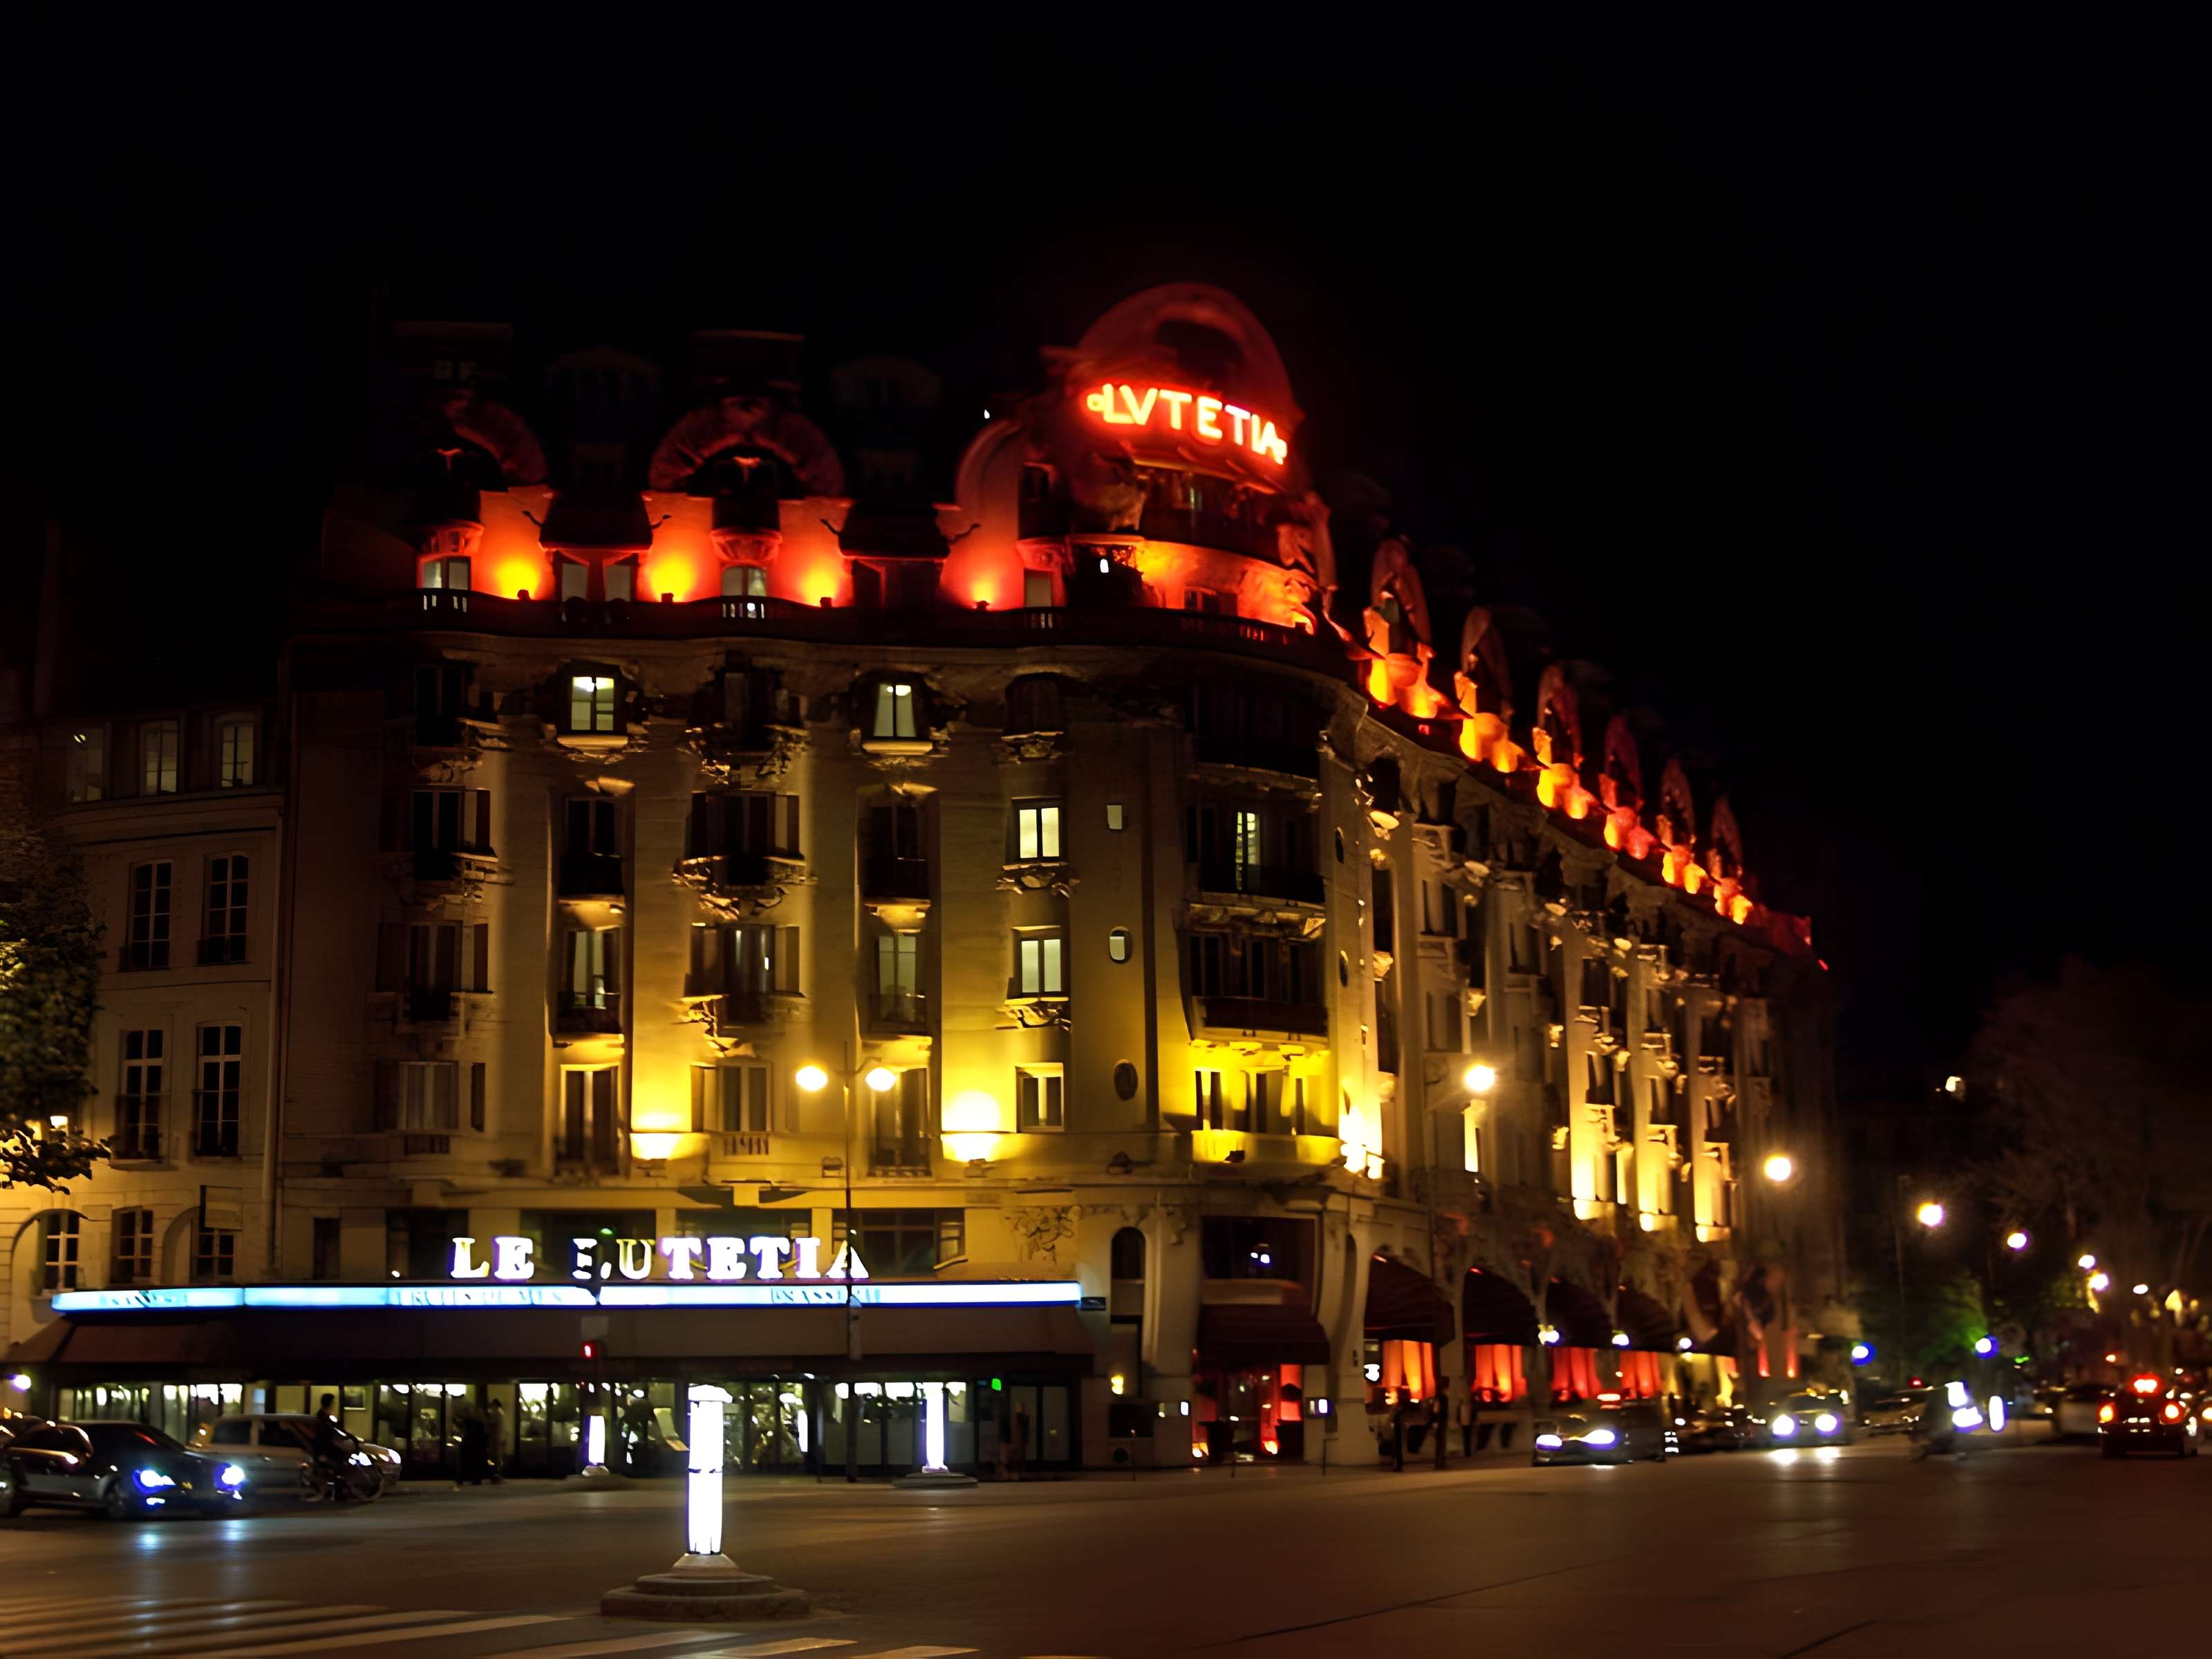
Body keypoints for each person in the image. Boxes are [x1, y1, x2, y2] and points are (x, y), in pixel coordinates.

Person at [308, 1393, 344, 1493]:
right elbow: (321, 1437)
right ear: (330, 1403)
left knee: (340, 1457)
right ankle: (337, 1487)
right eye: (333, 1402)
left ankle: (335, 1484)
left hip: (326, 1446)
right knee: (340, 1458)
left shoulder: (325, 1415)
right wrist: (322, 1453)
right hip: (324, 1448)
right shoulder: (323, 1417)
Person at [457, 1409, 491, 1487]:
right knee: (476, 1464)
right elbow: (484, 1436)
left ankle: (461, 1479)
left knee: (465, 1463)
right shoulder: (480, 1425)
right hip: (476, 1446)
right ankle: (476, 1479)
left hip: (469, 1445)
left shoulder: (468, 1423)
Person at [484, 1398, 507, 1483]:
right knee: (499, 1456)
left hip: (496, 1438)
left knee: (496, 1456)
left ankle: (496, 1474)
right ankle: (498, 1474)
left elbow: (493, 1423)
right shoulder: (501, 1412)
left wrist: (487, 1420)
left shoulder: (497, 1412)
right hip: (500, 1437)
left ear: (495, 1405)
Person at [1009, 1398, 1031, 1481]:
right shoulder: (1015, 1419)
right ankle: (1016, 1474)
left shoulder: (1022, 1419)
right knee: (1017, 1458)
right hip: (1016, 1442)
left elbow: (1025, 1432)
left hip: (1019, 1442)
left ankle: (1018, 1474)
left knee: (1019, 1458)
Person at [1454, 1389, 1476, 1459]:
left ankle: (1467, 1451)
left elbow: (1473, 1414)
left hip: (1467, 1423)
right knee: (1467, 1437)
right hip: (1466, 1423)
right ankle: (1467, 1451)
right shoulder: (1468, 1405)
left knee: (1467, 1437)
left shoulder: (1464, 1406)